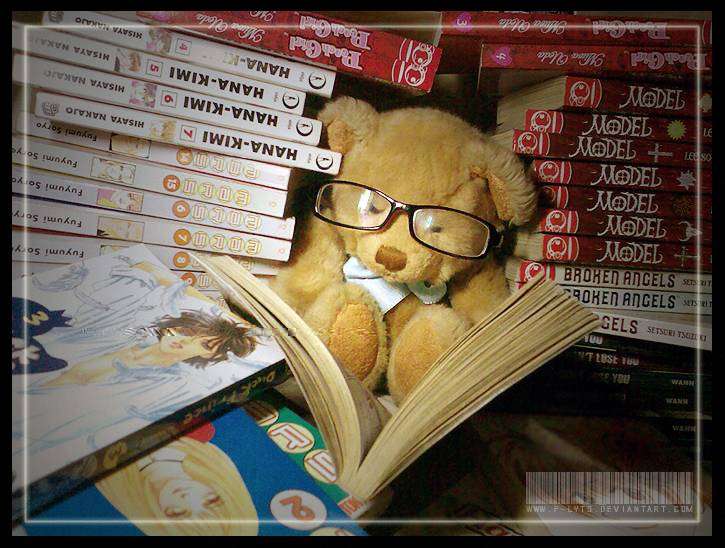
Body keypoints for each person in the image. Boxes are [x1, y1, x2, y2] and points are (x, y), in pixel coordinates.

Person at [96, 434, 259, 535]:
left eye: (178, 512)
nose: (187, 497)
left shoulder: (106, 476)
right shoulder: (199, 437)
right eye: (210, 500)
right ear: (225, 488)